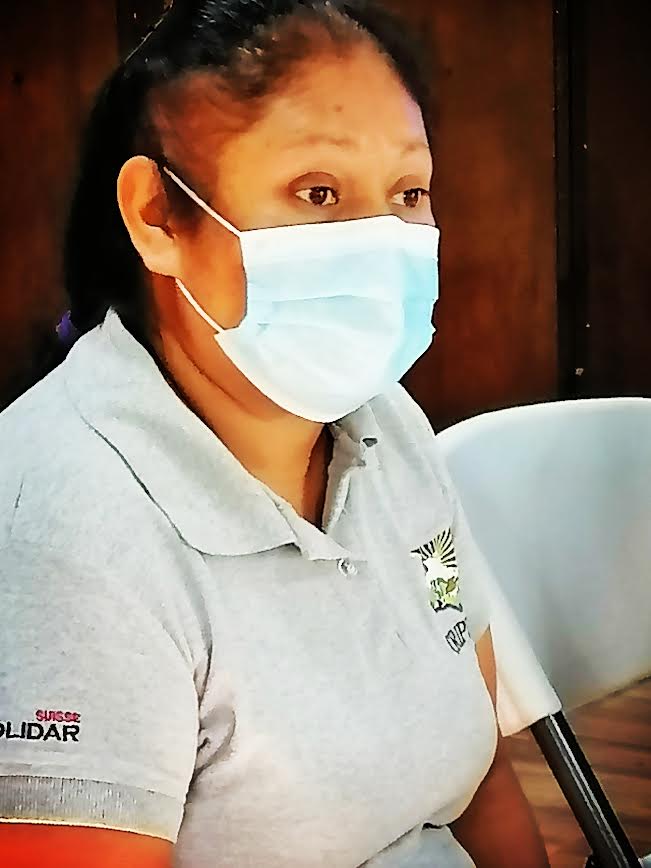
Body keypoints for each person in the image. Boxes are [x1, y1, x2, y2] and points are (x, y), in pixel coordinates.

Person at [0, 1, 549, 866]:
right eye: (317, 193)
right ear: (156, 215)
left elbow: (474, 764)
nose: (379, 240)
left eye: (408, 193)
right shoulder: (63, 533)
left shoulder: (384, 425)